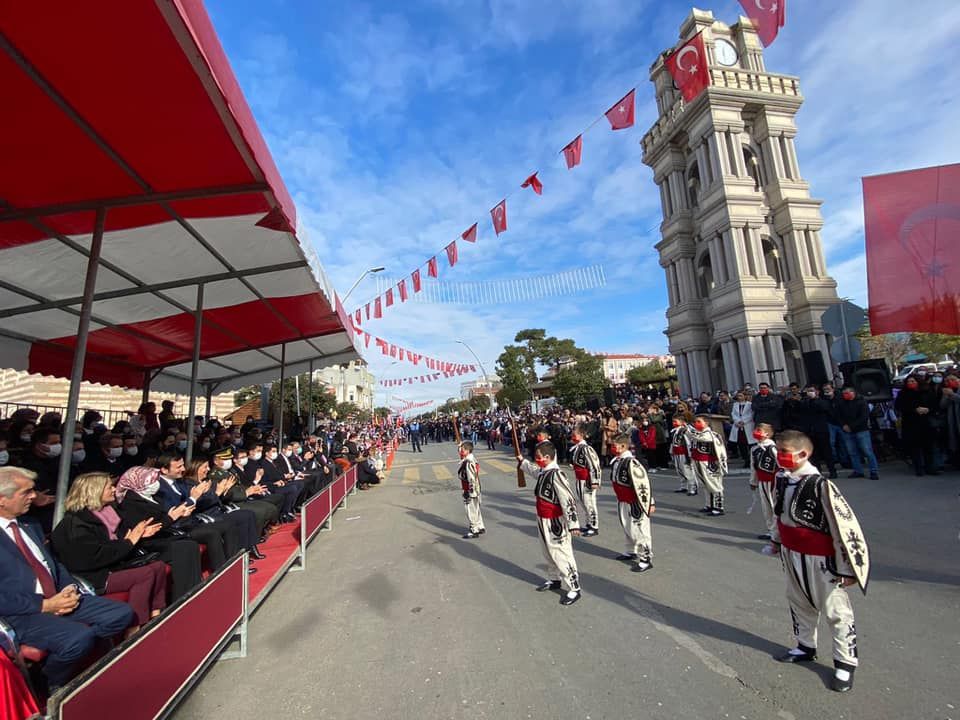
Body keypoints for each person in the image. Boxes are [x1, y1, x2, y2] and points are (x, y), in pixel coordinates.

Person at [0, 466, 134, 691]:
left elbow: (52, 564)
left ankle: (87, 661)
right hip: (21, 612)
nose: (34, 496)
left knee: (122, 614)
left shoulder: (29, 524)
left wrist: (70, 588)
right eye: (27, 492)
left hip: (60, 596)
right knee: (77, 639)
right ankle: (50, 683)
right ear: (2, 499)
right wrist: (45, 605)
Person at [770, 431, 869, 693]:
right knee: (798, 601)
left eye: (785, 451)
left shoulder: (821, 485)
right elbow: (779, 513)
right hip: (792, 554)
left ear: (804, 453)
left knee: (836, 611)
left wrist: (846, 567)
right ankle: (805, 645)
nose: (780, 456)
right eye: (778, 450)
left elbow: (842, 528)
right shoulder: (781, 479)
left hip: (821, 558)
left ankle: (845, 663)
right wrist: (776, 540)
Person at [51, 473, 168, 638]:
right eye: (109, 487)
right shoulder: (77, 524)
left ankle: (156, 615)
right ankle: (134, 629)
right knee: (145, 574)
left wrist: (139, 536)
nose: (114, 489)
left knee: (158, 566)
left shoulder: (108, 513)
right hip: (92, 575)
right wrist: (130, 541)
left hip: (113, 563)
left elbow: (121, 542)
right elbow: (96, 556)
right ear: (95, 491)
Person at [113, 466, 203, 600]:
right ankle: (183, 596)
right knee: (185, 547)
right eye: (151, 481)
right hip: (147, 544)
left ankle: (195, 588)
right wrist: (172, 517)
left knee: (190, 544)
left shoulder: (154, 496)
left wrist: (177, 515)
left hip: (162, 534)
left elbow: (163, 518)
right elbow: (150, 526)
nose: (156, 484)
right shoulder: (130, 502)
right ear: (140, 482)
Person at [517, 441, 582, 606]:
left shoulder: (557, 474)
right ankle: (554, 579)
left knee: (561, 552)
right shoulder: (545, 471)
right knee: (547, 551)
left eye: (538, 457)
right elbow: (535, 471)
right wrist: (523, 462)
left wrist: (573, 523)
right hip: (542, 518)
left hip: (555, 520)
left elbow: (567, 500)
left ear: (547, 457)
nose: (536, 460)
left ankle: (574, 587)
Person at [608, 434, 655, 573]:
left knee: (640, 530)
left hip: (635, 502)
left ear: (623, 447)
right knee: (627, 527)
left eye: (614, 445)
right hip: (623, 500)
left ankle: (646, 558)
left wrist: (650, 503)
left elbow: (643, 484)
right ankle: (631, 550)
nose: (612, 447)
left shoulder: (632, 463)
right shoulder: (617, 461)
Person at [895, 377, 939, 476]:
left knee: (928, 447)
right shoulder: (903, 393)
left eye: (913, 381)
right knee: (915, 448)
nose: (911, 383)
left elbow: (935, 404)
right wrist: (914, 410)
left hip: (926, 423)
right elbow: (899, 406)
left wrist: (928, 409)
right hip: (911, 423)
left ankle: (930, 468)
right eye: (909, 382)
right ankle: (918, 468)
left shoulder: (927, 391)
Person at [834, 387, 880, 480]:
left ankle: (874, 471)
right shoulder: (841, 403)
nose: (845, 395)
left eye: (847, 392)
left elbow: (864, 416)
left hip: (861, 430)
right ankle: (858, 471)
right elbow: (838, 415)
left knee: (867, 451)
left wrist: (851, 426)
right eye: (844, 393)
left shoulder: (861, 402)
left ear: (853, 392)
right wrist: (843, 425)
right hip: (847, 430)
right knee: (852, 452)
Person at [689, 416, 728, 516]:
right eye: (695, 421)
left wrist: (688, 430)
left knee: (714, 485)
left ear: (706, 423)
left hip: (709, 463)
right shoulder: (697, 433)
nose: (696, 423)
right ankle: (709, 504)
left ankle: (718, 507)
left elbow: (700, 438)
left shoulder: (710, 434)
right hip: (698, 462)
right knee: (705, 485)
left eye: (699, 421)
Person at [750, 424, 779, 554]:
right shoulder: (754, 449)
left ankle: (777, 532)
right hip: (762, 481)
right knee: (766, 507)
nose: (756, 432)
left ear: (767, 434)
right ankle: (770, 530)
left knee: (775, 506)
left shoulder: (773, 448)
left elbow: (780, 465)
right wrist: (753, 481)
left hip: (773, 481)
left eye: (759, 431)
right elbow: (754, 467)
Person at [569, 424, 601, 536]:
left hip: (586, 480)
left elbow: (594, 465)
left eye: (575, 434)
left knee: (589, 503)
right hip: (579, 479)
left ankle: (594, 526)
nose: (572, 436)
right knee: (584, 503)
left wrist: (595, 481)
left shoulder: (586, 449)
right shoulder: (578, 448)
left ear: (582, 435)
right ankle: (588, 523)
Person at [457, 442, 485, 539]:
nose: (461, 451)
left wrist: (469, 492)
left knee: (471, 510)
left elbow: (471, 479)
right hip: (476, 489)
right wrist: (460, 446)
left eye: (462, 449)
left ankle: (474, 530)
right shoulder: (471, 459)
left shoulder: (468, 462)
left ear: (467, 451)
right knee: (476, 509)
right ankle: (480, 526)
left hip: (470, 490)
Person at [729, 391, 755, 469]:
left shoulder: (749, 404)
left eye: (741, 396)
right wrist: (737, 421)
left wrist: (744, 421)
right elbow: (733, 414)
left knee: (750, 444)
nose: (739, 397)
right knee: (741, 444)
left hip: (747, 425)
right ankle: (746, 460)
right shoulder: (735, 405)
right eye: (738, 396)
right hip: (738, 426)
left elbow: (751, 414)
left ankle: (752, 460)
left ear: (744, 396)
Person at [669, 417, 695, 495]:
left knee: (686, 470)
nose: (674, 423)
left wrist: (689, 454)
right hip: (676, 452)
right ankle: (683, 486)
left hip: (683, 452)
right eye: (673, 421)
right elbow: (672, 442)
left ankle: (692, 487)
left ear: (681, 422)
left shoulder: (684, 430)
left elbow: (688, 442)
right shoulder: (673, 431)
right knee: (679, 470)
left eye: (675, 421)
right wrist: (671, 451)